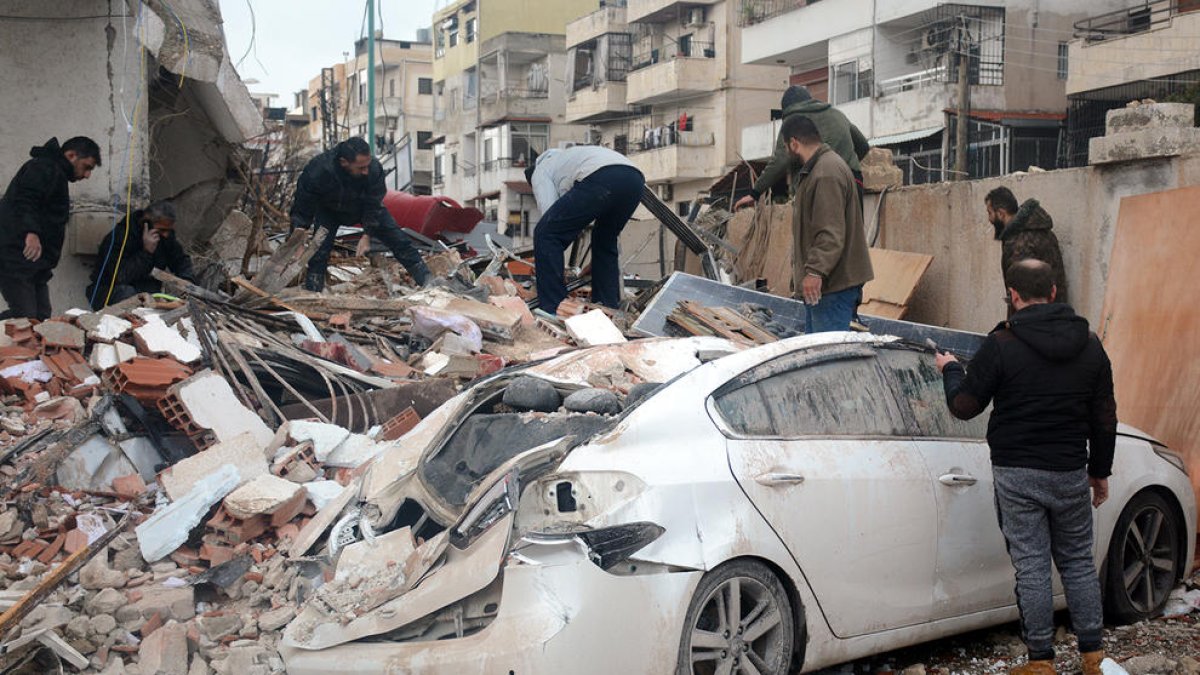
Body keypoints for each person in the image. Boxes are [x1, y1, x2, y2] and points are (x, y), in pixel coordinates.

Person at [935, 259, 1115, 675]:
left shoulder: (1002, 344)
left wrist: (951, 370)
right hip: (1069, 470)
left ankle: (1040, 663)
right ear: (1054, 292)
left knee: (1032, 563)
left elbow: (964, 407)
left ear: (1013, 296)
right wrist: (1098, 472)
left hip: (1017, 473)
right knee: (1077, 561)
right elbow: (1105, 417)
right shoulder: (1090, 344)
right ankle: (1093, 657)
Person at [290, 137, 430, 291]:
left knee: (399, 241)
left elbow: (374, 204)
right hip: (329, 211)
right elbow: (303, 204)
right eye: (361, 167)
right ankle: (313, 293)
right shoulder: (318, 169)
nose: (366, 171)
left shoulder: (374, 169)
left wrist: (367, 235)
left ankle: (428, 282)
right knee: (319, 253)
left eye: (367, 165)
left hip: (364, 208)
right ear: (344, 162)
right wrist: (297, 239)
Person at [780, 114, 873, 333]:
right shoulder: (819, 169)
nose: (786, 153)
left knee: (827, 358)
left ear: (794, 143)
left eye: (786, 147)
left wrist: (814, 273)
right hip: (828, 287)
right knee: (817, 351)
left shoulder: (825, 173)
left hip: (833, 287)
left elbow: (830, 233)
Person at [525, 145, 644, 314]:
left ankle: (553, 307)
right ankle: (607, 307)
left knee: (545, 234)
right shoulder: (568, 159)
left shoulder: (540, 171)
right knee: (605, 240)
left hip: (603, 176)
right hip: (634, 180)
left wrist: (553, 267)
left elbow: (550, 223)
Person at [0, 136, 101, 320]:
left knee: (40, 318)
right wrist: (31, 233)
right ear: (71, 155)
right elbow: (25, 200)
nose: (87, 175)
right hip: (16, 259)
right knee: (26, 318)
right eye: (87, 167)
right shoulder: (43, 167)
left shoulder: (55, 173)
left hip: (34, 265)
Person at [735, 85, 870, 210]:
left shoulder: (793, 122)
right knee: (854, 232)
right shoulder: (836, 114)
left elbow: (781, 160)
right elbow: (863, 145)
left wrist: (755, 193)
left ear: (787, 109)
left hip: (819, 185)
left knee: (822, 231)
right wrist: (846, 164)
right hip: (853, 181)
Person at [87, 201, 195, 309]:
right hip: (111, 290)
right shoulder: (120, 237)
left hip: (147, 290)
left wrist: (186, 280)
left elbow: (181, 260)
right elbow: (121, 276)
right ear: (146, 224)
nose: (166, 234)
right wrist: (146, 253)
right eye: (162, 230)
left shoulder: (164, 237)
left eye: (168, 230)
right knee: (128, 294)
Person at [985, 187, 1068, 313]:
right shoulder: (1043, 231)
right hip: (1056, 315)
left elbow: (1023, 295)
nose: (989, 219)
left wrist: (1013, 325)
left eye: (990, 213)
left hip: (1034, 321)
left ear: (1001, 213)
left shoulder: (1017, 243)